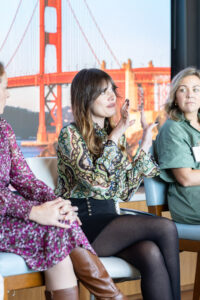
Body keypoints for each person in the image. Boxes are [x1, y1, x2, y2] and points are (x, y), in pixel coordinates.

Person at [0, 62, 127, 300]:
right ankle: (113, 297)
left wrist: (58, 204)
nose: (8, 93)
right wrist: (33, 211)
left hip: (8, 215)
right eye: (5, 86)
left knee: (60, 226)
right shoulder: (70, 134)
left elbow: (25, 179)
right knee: (59, 233)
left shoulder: (3, 129)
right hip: (7, 218)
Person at [55, 68, 181, 300]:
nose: (112, 96)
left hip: (111, 223)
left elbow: (124, 191)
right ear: (85, 96)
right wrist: (115, 136)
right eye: (103, 92)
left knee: (151, 253)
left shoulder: (112, 135)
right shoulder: (69, 135)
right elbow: (97, 184)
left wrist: (144, 141)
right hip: (83, 226)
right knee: (165, 227)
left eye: (112, 90)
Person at [155, 66, 200, 225]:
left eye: (196, 89)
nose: (190, 95)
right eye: (183, 90)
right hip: (191, 205)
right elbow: (186, 178)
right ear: (175, 97)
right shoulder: (172, 129)